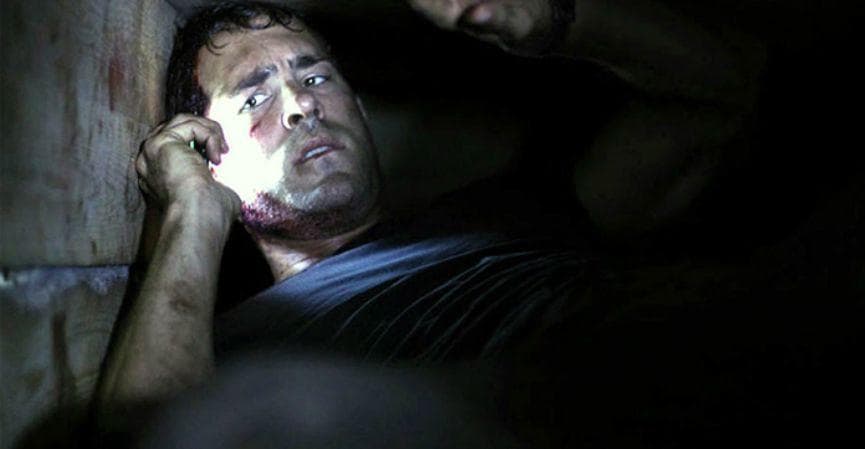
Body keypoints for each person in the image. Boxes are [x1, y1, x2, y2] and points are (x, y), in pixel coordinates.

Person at [94, 0, 777, 446]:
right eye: (254, 99)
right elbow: (143, 435)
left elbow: (722, 94)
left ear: (359, 108)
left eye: (316, 77)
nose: (301, 105)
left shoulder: (507, 213)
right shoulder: (225, 349)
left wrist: (553, 20)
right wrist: (193, 211)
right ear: (209, 156)